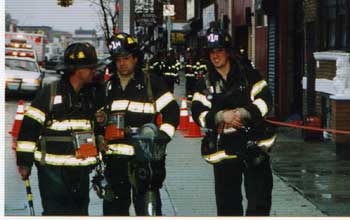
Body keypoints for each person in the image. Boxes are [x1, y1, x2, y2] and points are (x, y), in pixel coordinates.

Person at [191, 28, 277, 216]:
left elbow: (265, 100)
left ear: (228, 52)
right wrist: (221, 116)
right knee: (228, 206)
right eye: (212, 52)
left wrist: (244, 113)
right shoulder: (204, 84)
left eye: (219, 50)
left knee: (259, 202)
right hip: (225, 151)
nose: (215, 56)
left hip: (253, 147)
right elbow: (198, 112)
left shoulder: (249, 76)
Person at [16, 42, 103, 215]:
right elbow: (29, 128)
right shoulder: (50, 94)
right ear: (77, 70)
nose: (94, 71)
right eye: (90, 67)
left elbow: (95, 127)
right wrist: (24, 163)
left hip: (80, 171)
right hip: (53, 173)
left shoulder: (90, 95)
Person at [98, 32, 179, 216]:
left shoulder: (152, 83)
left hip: (144, 161)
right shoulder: (108, 87)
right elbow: (97, 120)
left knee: (148, 211)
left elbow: (172, 113)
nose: (122, 63)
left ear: (135, 58)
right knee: (114, 212)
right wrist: (99, 132)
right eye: (118, 59)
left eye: (126, 58)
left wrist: (161, 138)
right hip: (114, 163)